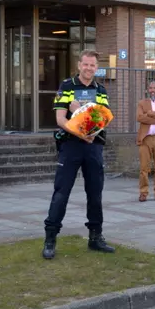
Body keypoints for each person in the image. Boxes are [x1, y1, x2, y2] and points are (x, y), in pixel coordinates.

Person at [43, 49, 115, 259]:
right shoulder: (67, 86)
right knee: (61, 193)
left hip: (94, 146)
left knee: (95, 194)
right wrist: (82, 132)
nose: (89, 68)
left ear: (96, 67)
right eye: (86, 64)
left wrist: (80, 110)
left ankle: (96, 237)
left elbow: (103, 119)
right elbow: (60, 120)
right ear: (79, 65)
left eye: (93, 65)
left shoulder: (100, 89)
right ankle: (50, 239)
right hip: (71, 146)